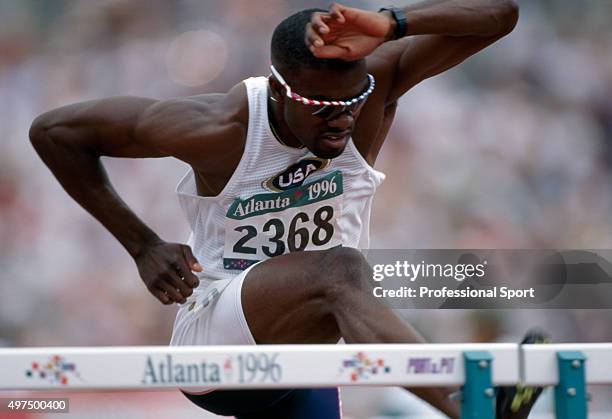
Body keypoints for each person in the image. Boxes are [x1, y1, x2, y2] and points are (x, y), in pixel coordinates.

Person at [30, 1, 534, 418]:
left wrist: (394, 23)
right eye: (321, 107)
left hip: (305, 347)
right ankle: (473, 408)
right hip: (214, 347)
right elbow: (55, 133)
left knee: (338, 276)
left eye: (352, 101)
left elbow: (503, 14)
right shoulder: (219, 128)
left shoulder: (371, 92)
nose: (341, 121)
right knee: (342, 269)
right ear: (278, 92)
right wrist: (141, 244)